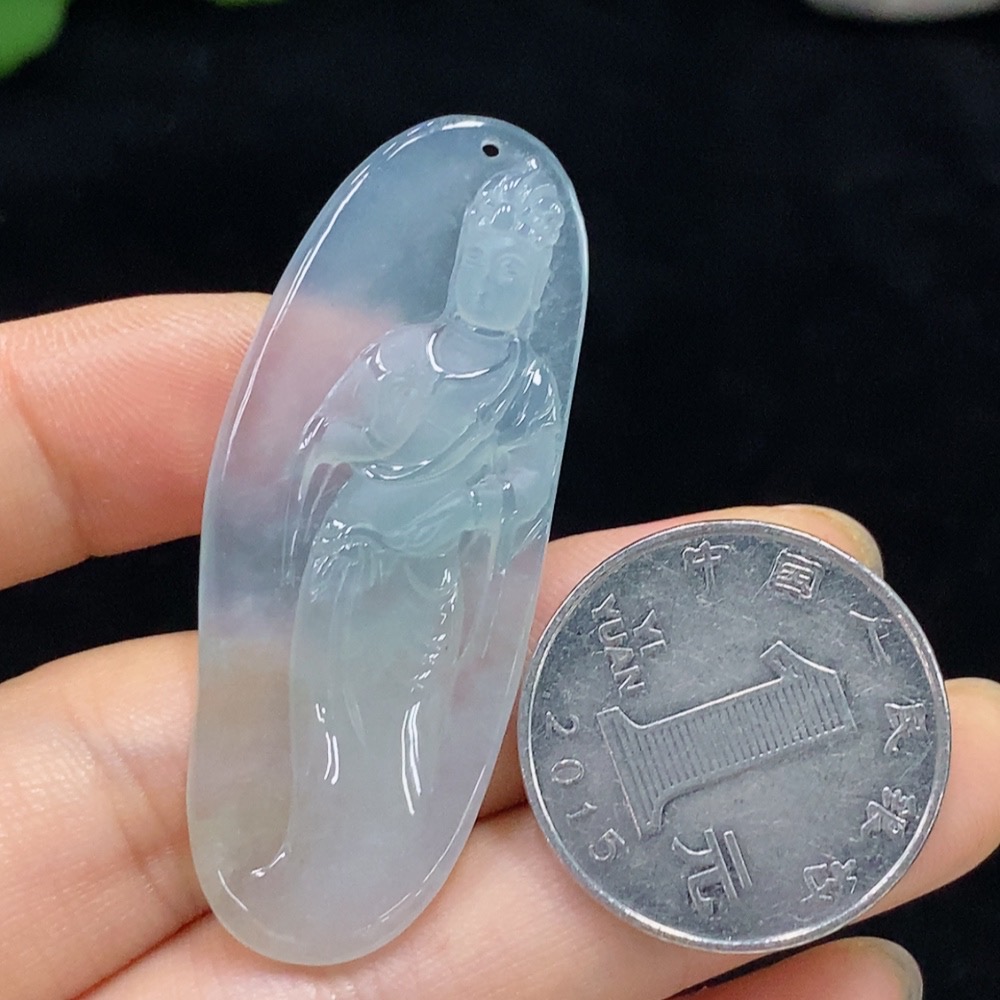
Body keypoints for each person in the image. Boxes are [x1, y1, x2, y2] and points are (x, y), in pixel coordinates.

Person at [0, 292, 997, 998]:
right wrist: (363, 475)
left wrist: (477, 555)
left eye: (521, 256)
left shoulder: (521, 385)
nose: (503, 271)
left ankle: (347, 856)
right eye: (493, 246)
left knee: (400, 727)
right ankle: (301, 846)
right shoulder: (400, 359)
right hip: (356, 558)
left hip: (428, 583)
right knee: (326, 707)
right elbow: (324, 447)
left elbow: (508, 503)